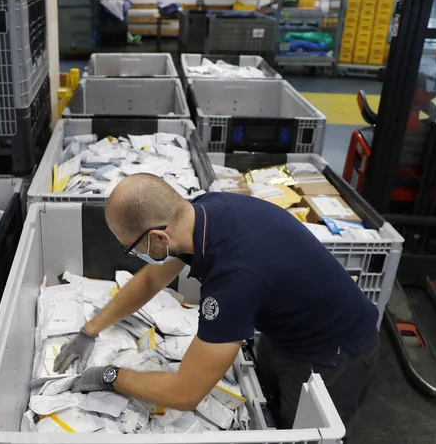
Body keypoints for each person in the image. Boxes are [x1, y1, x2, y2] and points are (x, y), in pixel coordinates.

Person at [53, 173, 379, 430]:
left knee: (298, 428)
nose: (132, 255)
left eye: (130, 248)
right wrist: (90, 329)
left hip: (335, 351)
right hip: (288, 324)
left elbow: (185, 393)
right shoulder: (202, 211)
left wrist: (109, 377)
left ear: (158, 237)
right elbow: (153, 278)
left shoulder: (233, 281)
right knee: (269, 396)